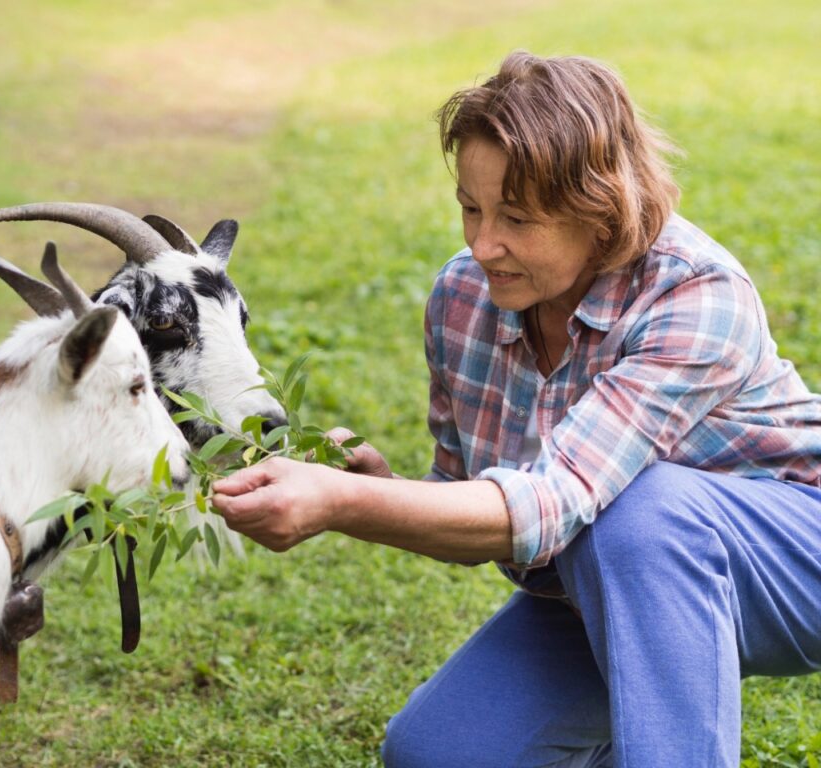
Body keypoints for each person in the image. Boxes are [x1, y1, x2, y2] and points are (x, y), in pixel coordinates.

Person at [210, 51, 821, 767]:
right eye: (471, 207)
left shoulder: (694, 296)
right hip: (613, 578)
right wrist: (377, 488)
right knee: (440, 753)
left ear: (600, 210)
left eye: (517, 219)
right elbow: (477, 510)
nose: (482, 243)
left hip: (790, 558)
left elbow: (556, 501)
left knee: (640, 511)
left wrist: (341, 502)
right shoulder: (463, 300)